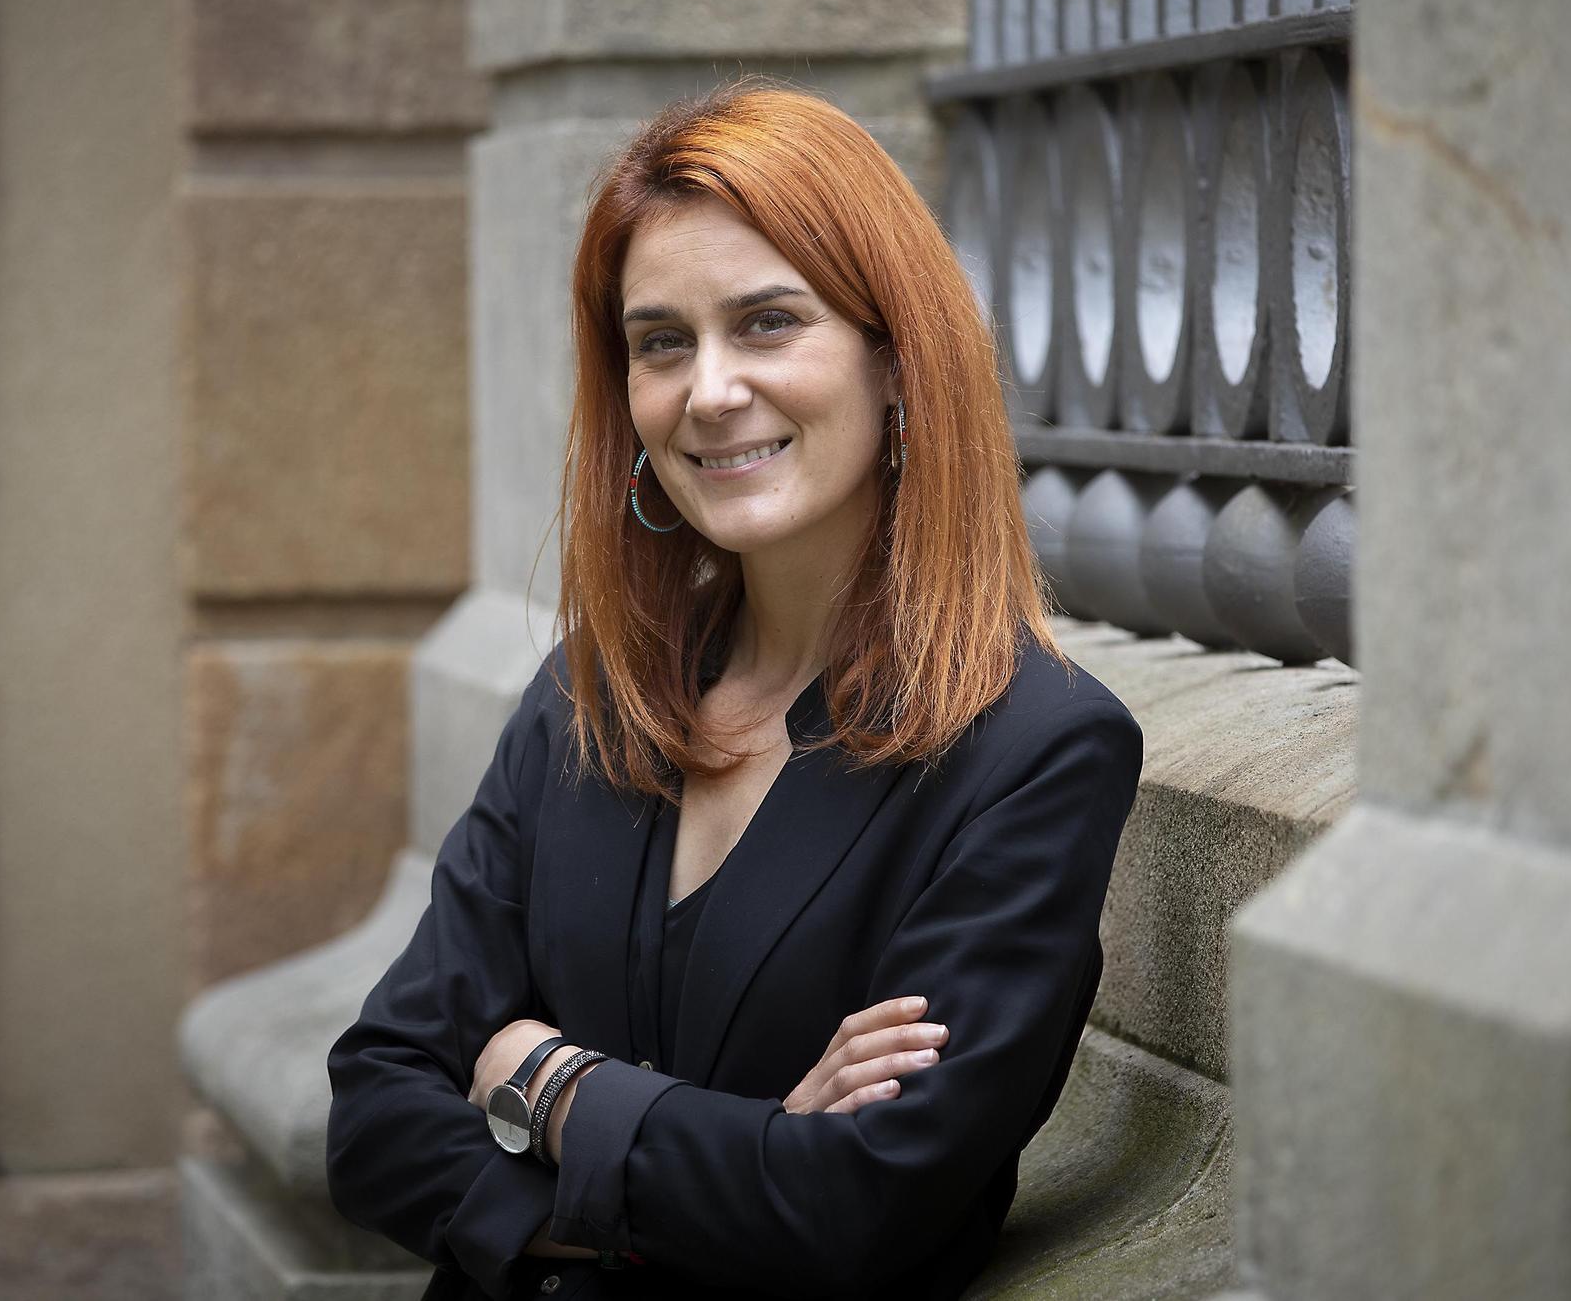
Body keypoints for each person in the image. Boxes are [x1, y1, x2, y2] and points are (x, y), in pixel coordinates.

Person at [324, 77, 1144, 1301]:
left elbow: (849, 1203)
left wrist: (544, 1083)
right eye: (662, 341)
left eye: (766, 322)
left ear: (895, 363)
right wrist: (730, 1150)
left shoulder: (1032, 749)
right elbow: (375, 1114)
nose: (707, 390)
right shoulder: (586, 699)